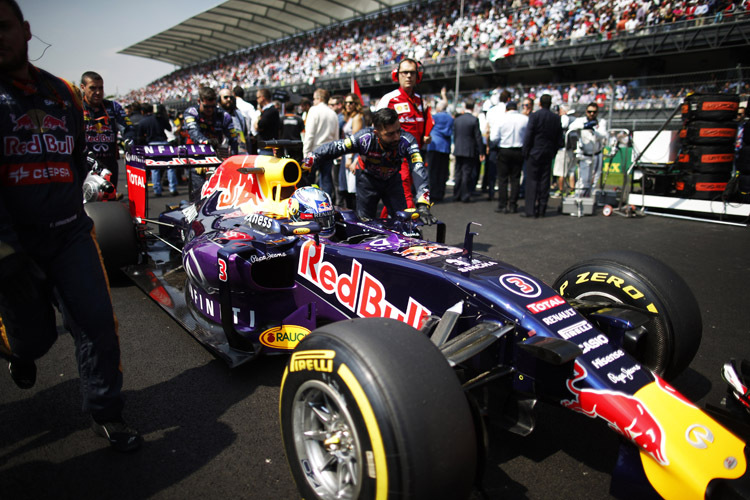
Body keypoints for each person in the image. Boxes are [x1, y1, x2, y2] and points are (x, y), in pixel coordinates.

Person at [0, 0, 140, 451]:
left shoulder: (62, 95)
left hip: (70, 233)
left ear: (24, 30)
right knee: (35, 340)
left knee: (97, 321)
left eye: (2, 27)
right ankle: (14, 348)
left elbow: (78, 153)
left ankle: (107, 412)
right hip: (12, 243)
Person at [303, 108, 435, 224]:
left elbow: (418, 168)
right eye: (390, 134)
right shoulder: (364, 138)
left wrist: (423, 204)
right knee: (365, 223)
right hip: (367, 182)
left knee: (403, 221)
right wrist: (311, 159)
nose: (396, 137)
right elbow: (335, 147)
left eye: (398, 131)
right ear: (376, 133)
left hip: (393, 181)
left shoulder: (407, 140)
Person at [376, 58, 433, 209]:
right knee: (404, 196)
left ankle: (388, 225)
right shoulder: (389, 99)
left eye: (412, 73)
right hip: (395, 158)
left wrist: (426, 135)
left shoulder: (420, 101)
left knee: (399, 198)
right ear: (397, 75)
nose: (408, 76)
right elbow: (375, 128)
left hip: (415, 156)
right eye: (405, 72)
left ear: (417, 76)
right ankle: (408, 226)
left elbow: (427, 121)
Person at [79, 71, 135, 189]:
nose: (98, 92)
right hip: (84, 164)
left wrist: (129, 140)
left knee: (109, 199)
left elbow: (128, 127)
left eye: (100, 88)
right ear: (83, 87)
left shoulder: (113, 107)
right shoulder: (76, 107)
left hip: (109, 163)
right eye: (93, 88)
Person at [183, 86, 239, 199]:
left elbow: (233, 137)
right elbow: (194, 132)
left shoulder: (223, 115)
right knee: (199, 194)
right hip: (196, 156)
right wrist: (205, 142)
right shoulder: (192, 112)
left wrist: (234, 159)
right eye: (207, 106)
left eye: (213, 106)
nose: (210, 110)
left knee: (218, 191)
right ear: (199, 101)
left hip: (216, 156)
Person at [522, 94, 563, 218]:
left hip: (534, 153)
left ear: (539, 103)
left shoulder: (535, 116)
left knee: (532, 181)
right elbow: (559, 139)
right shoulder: (556, 118)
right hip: (547, 153)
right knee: (545, 181)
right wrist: (553, 151)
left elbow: (529, 135)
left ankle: (530, 209)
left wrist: (526, 151)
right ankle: (542, 209)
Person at [492, 101, 528, 214]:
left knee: (502, 179)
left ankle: (502, 204)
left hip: (504, 149)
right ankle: (513, 204)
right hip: (518, 149)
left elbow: (494, 137)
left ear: (506, 109)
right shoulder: (524, 119)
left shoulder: (501, 119)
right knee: (515, 178)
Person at [302, 88, 339, 196]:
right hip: (329, 150)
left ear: (319, 98)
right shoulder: (332, 113)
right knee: (327, 179)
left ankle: (309, 202)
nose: (313, 101)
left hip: (315, 150)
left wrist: (306, 153)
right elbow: (336, 135)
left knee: (309, 180)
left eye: (314, 99)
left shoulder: (314, 110)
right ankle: (326, 203)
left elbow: (310, 134)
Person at [137, 104, 178, 197]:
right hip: (164, 144)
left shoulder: (143, 121)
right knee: (170, 166)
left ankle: (157, 190)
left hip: (152, 146)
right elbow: (169, 128)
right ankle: (173, 188)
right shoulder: (160, 119)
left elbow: (139, 136)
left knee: (155, 169)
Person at [568, 102, 608, 197]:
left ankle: (589, 199)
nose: (591, 114)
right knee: (583, 179)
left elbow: (603, 134)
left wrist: (593, 129)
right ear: (586, 111)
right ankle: (578, 198)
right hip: (585, 155)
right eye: (589, 112)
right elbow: (571, 128)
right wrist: (584, 126)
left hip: (596, 154)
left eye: (594, 112)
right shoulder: (580, 120)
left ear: (597, 113)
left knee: (594, 180)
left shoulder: (601, 122)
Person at [452, 99, 485, 203]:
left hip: (458, 148)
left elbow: (455, 134)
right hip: (469, 149)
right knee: (466, 173)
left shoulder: (457, 119)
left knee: (458, 172)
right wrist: (481, 151)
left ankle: (456, 194)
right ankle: (465, 195)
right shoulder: (474, 120)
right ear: (473, 107)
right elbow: (478, 137)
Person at [484, 89, 511, 200]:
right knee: (505, 172)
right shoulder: (508, 111)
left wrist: (487, 145)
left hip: (493, 143)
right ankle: (503, 195)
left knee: (492, 170)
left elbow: (487, 129)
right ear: (509, 99)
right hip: (506, 143)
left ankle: (491, 192)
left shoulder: (492, 110)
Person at [425, 99, 453, 202]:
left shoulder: (434, 117)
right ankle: (440, 192)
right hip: (445, 147)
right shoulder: (450, 118)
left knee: (432, 171)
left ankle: (432, 192)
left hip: (434, 145)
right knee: (442, 172)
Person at [339, 93, 364, 209]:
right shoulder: (349, 117)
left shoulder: (357, 117)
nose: (348, 105)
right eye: (346, 103)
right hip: (347, 153)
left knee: (353, 186)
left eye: (351, 103)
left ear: (356, 104)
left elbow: (355, 139)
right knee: (347, 187)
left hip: (353, 154)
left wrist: (350, 158)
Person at [219, 88, 248, 152]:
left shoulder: (238, 113)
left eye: (231, 97)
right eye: (225, 97)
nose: (229, 99)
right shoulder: (218, 115)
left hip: (240, 151)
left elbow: (243, 132)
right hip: (224, 151)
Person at [254, 88, 280, 154]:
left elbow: (258, 126)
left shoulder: (270, 111)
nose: (257, 100)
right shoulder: (267, 111)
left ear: (262, 98)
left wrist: (258, 117)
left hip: (268, 148)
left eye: (257, 97)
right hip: (265, 147)